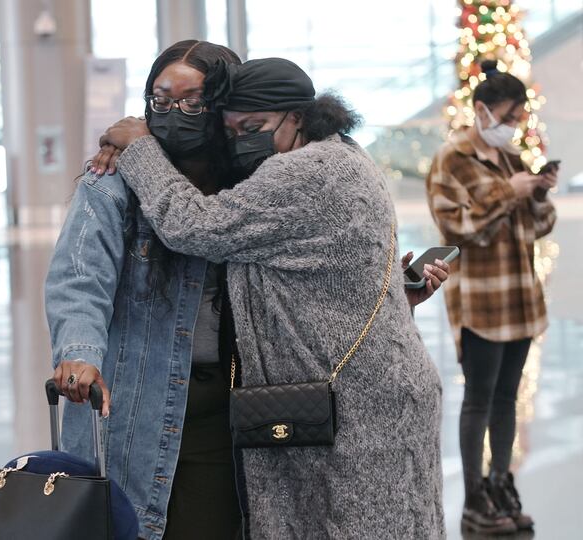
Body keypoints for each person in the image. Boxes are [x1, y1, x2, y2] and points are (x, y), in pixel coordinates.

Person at [98, 57, 446, 538]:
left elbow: (192, 225)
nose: (243, 140)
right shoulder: (344, 152)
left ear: (298, 117)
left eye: (255, 127)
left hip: (356, 407)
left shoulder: (307, 172)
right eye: (233, 130)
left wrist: (140, 149)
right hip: (369, 389)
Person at [45, 40, 245, 540]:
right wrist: (79, 352)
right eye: (161, 99)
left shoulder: (251, 185)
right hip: (134, 405)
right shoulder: (110, 181)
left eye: (192, 101)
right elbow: (78, 278)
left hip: (231, 412)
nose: (175, 113)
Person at [426, 59, 557, 535]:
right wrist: (508, 192)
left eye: (518, 118)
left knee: (507, 398)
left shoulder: (513, 159)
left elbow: (538, 228)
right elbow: (458, 228)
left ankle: (502, 485)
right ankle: (474, 500)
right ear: (481, 110)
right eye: (507, 117)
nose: (512, 126)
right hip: (481, 304)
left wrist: (537, 194)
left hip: (521, 301)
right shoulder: (452, 159)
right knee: (479, 400)